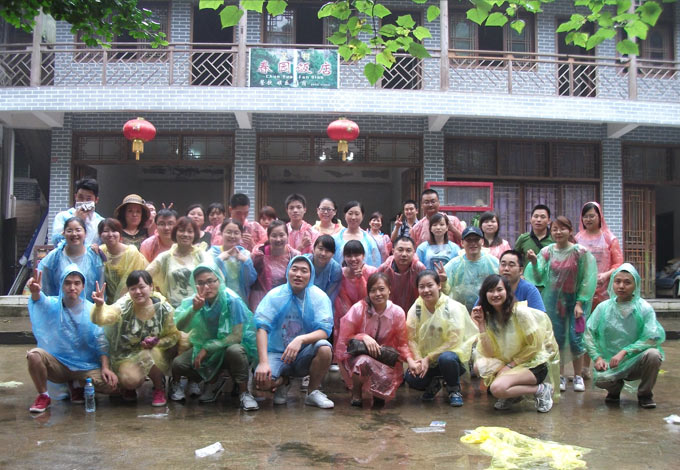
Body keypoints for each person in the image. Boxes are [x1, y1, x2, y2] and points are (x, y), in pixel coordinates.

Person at [26, 266, 117, 413]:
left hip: (84, 366)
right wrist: (35, 292)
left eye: (77, 283)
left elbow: (101, 340)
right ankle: (43, 396)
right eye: (67, 283)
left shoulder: (91, 309)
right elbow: (40, 301)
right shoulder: (53, 305)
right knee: (34, 356)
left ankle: (76, 384)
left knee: (112, 386)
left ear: (83, 286)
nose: (72, 287)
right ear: (62, 285)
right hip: (59, 364)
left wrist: (106, 367)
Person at [524, 216, 597, 394]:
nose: (558, 232)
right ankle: (561, 375)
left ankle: (578, 375)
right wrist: (534, 262)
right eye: (555, 229)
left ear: (570, 231)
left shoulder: (580, 252)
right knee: (557, 338)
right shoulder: (547, 252)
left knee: (576, 338)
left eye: (562, 228)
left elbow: (587, 279)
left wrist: (580, 302)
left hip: (576, 301)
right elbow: (539, 277)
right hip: (554, 301)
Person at [170, 263, 259, 410]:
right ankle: (214, 381)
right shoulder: (196, 300)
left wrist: (208, 348)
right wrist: (194, 310)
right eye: (200, 283)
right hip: (206, 346)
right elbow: (180, 326)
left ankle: (244, 392)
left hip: (230, 345)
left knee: (235, 351)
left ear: (219, 280)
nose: (206, 287)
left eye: (211, 281)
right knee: (179, 364)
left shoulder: (232, 300)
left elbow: (236, 336)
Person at [254, 256, 335, 408]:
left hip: (304, 353)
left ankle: (312, 392)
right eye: (294, 269)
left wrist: (300, 340)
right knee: (262, 382)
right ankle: (284, 382)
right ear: (288, 272)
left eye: (304, 271)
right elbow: (261, 327)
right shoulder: (275, 295)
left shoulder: (318, 297)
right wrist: (263, 363)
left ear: (311, 275)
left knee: (324, 348)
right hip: (277, 353)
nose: (298, 274)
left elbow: (324, 330)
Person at [471, 275, 559, 413]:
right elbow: (489, 353)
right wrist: (481, 324)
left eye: (499, 290)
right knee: (479, 367)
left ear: (507, 291)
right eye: (490, 291)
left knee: (496, 389)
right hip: (509, 362)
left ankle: (541, 389)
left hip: (533, 364)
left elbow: (534, 346)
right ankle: (513, 395)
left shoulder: (520, 313)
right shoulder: (489, 316)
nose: (495, 294)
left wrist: (510, 366)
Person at [91, 270, 180, 406]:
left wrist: (157, 342)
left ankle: (159, 387)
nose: (138, 292)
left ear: (151, 286)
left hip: (156, 353)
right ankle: (129, 387)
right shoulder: (124, 305)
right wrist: (99, 307)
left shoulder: (164, 309)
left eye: (142, 287)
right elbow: (103, 319)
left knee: (150, 353)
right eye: (133, 288)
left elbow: (174, 334)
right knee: (129, 380)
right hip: (127, 355)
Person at [585, 263, 665, 408]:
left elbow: (652, 338)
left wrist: (624, 352)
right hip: (611, 363)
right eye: (618, 281)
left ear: (636, 285)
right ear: (612, 283)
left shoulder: (644, 308)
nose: (621, 286)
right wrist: (597, 358)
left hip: (636, 361)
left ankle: (645, 394)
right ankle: (614, 390)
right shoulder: (604, 308)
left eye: (627, 282)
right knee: (601, 379)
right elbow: (589, 333)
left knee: (653, 355)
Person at [335, 273, 412, 406]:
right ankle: (356, 393)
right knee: (362, 361)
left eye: (381, 289)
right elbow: (345, 337)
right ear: (368, 292)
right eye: (373, 290)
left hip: (384, 358)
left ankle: (378, 393)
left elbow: (402, 343)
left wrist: (410, 361)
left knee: (380, 401)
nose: (378, 294)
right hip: (359, 356)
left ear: (389, 289)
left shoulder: (397, 312)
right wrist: (363, 337)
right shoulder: (359, 309)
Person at [404, 270, 478, 406]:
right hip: (427, 361)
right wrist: (419, 360)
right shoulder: (417, 309)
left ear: (438, 285)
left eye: (430, 285)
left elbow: (454, 340)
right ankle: (435, 383)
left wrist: (429, 357)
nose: (426, 290)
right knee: (412, 379)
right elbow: (411, 338)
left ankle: (454, 389)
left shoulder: (452, 307)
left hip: (451, 358)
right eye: (421, 287)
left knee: (447, 359)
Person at [575, 201, 624, 378]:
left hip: (604, 292)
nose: (588, 219)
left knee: (602, 329)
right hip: (583, 292)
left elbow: (619, 263)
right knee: (583, 328)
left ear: (599, 216)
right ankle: (584, 367)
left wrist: (606, 275)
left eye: (592, 216)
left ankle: (609, 363)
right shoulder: (578, 238)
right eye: (585, 216)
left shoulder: (610, 238)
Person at [146, 216, 211, 308]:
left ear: (195, 235)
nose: (185, 234)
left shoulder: (201, 256)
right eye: (181, 231)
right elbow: (145, 276)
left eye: (190, 231)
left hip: (199, 308)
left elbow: (214, 279)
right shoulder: (165, 257)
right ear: (175, 233)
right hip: (173, 309)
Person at [39, 217, 104, 303]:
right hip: (60, 308)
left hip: (89, 308)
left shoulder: (94, 256)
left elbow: (101, 282)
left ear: (85, 233)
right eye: (69, 231)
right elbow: (45, 284)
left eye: (78, 230)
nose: (74, 234)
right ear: (63, 233)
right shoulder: (54, 257)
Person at [249, 220, 300, 311]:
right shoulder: (259, 255)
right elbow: (250, 278)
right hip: (261, 301)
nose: (278, 239)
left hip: (285, 300)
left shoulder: (294, 256)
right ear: (268, 237)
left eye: (281, 235)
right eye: (274, 235)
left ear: (287, 236)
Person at [444, 226, 499, 312]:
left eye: (476, 240)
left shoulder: (493, 262)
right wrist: (443, 281)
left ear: (482, 241)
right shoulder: (454, 265)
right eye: (469, 240)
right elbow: (445, 290)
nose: (473, 243)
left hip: (488, 311)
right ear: (462, 243)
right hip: (460, 313)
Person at [334, 241, 378, 345]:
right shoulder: (340, 273)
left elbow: (373, 298)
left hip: (368, 318)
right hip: (343, 320)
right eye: (349, 256)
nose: (353, 259)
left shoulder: (372, 272)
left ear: (363, 255)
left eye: (357, 255)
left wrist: (361, 279)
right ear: (344, 257)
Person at [98, 218, 148, 304]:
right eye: (106, 231)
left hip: (132, 301)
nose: (110, 234)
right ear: (100, 235)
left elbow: (132, 282)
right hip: (108, 304)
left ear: (120, 234)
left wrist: (117, 305)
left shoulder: (131, 253)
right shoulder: (100, 251)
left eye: (114, 231)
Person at [209, 218, 257, 303]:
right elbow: (209, 277)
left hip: (240, 300)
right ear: (221, 233)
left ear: (241, 235)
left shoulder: (245, 254)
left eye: (236, 233)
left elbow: (250, 280)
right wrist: (219, 260)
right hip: (218, 301)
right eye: (228, 232)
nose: (232, 236)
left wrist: (246, 261)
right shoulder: (213, 253)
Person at [377, 236, 426, 313]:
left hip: (415, 312)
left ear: (413, 252)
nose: (404, 254)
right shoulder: (384, 269)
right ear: (393, 251)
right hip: (389, 312)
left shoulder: (419, 269)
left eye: (408, 250)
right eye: (400, 250)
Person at [51, 178, 103, 246]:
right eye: (80, 197)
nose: (84, 202)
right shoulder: (62, 217)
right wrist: (76, 220)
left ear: (96, 200)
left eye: (88, 199)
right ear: (75, 197)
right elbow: (56, 242)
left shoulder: (100, 222)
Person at [332, 201, 381, 268]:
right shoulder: (335, 239)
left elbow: (376, 263)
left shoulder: (369, 240)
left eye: (357, 214)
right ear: (345, 215)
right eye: (350, 213)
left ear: (362, 216)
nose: (353, 217)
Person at [304, 235, 342, 304]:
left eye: (327, 251)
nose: (323, 253)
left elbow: (330, 294)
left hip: (322, 302)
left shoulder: (335, 269)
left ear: (333, 254)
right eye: (320, 249)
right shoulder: (304, 261)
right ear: (313, 249)